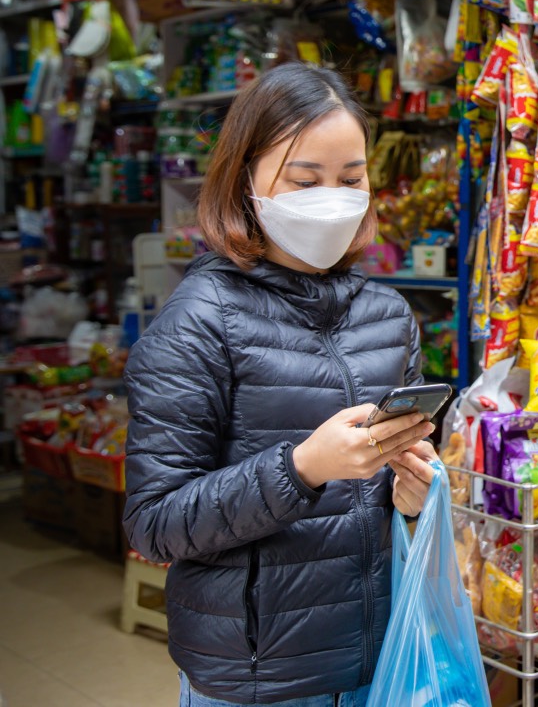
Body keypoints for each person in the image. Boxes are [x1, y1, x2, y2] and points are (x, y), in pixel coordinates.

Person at [122, 63, 441, 706]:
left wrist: (412, 496)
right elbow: (154, 525)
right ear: (247, 180)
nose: (333, 197)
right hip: (257, 681)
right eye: (304, 180)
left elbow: (387, 500)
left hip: (377, 666)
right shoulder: (198, 322)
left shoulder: (387, 316)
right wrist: (301, 468)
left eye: (351, 179)